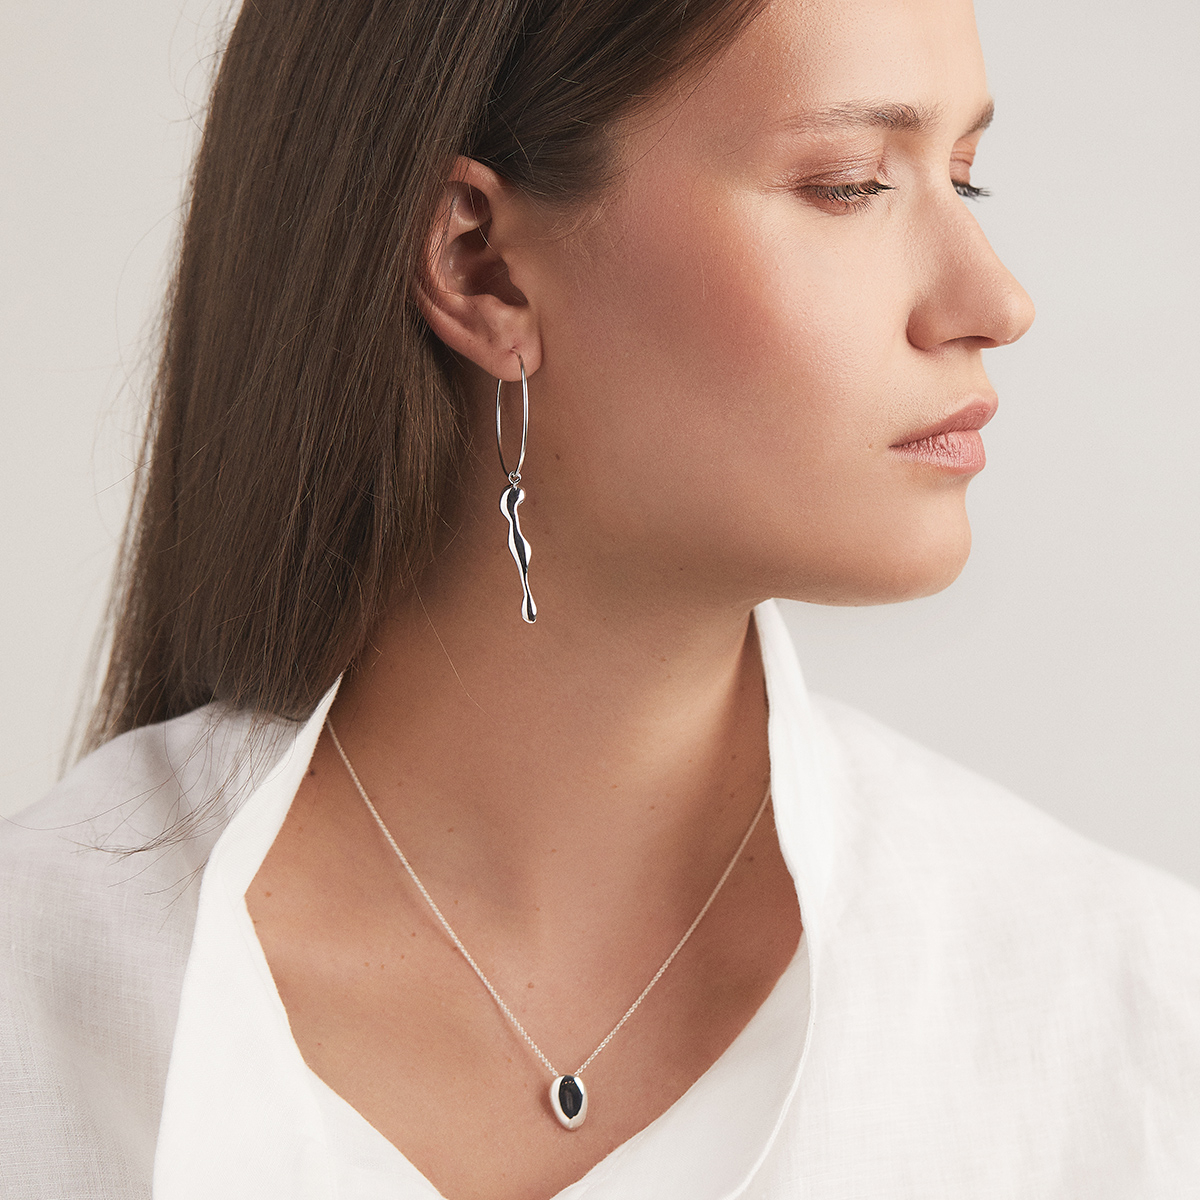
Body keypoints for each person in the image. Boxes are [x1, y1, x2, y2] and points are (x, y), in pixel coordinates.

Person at [2, 0, 1198, 1196]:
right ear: (480, 265)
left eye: (964, 178)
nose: (996, 301)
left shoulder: (1129, 1028)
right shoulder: (43, 1005)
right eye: (849, 186)